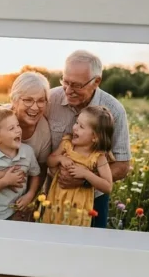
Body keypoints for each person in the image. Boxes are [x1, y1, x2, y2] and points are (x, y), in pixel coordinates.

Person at [46, 51, 131, 229]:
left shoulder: (114, 111)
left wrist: (84, 180)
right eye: (65, 82)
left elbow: (122, 166)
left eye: (76, 85)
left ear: (96, 81)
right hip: (53, 194)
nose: (68, 90)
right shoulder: (50, 99)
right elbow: (21, 108)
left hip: (92, 199)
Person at [44, 106, 113, 227]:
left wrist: (86, 174)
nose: (74, 128)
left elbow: (108, 186)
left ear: (95, 137)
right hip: (56, 201)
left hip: (79, 208)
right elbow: (49, 161)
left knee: (74, 235)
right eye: (76, 123)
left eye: (81, 127)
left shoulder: (97, 157)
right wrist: (60, 158)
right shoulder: (67, 145)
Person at [0, 107, 41, 221]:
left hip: (16, 212)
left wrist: (30, 194)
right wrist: (5, 181)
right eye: (11, 128)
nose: (18, 130)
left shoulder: (28, 152)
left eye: (17, 125)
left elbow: (35, 174)